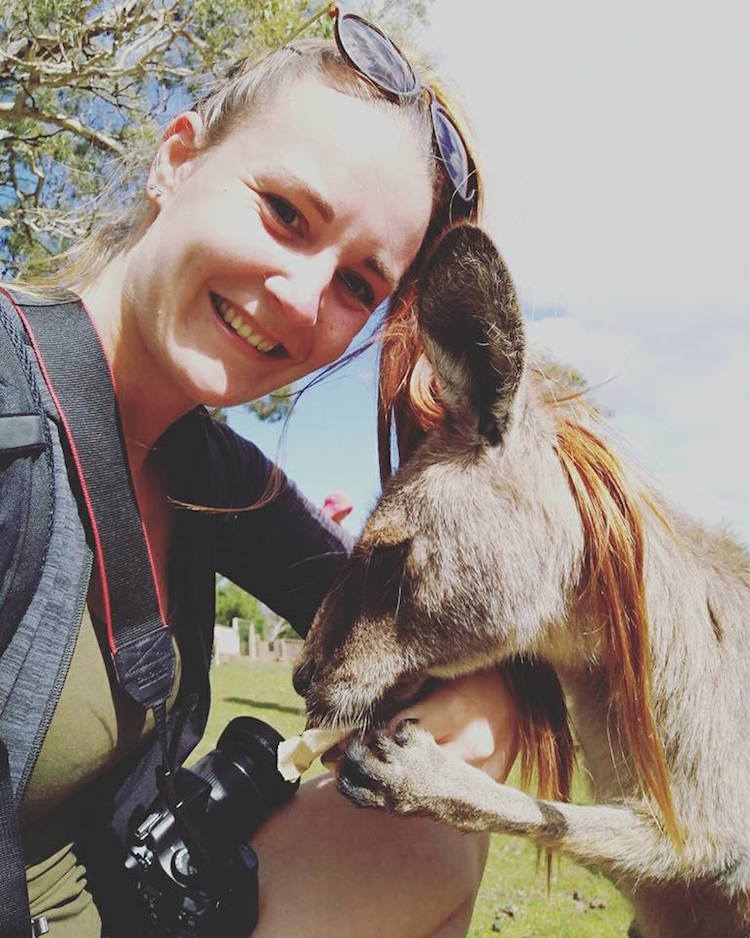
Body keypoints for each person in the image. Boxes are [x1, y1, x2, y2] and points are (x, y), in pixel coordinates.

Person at [3, 9, 521, 937]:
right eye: (286, 214)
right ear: (176, 160)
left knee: (431, 843)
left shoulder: (209, 471)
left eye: (359, 284)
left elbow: (403, 619)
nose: (299, 297)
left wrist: (485, 697)